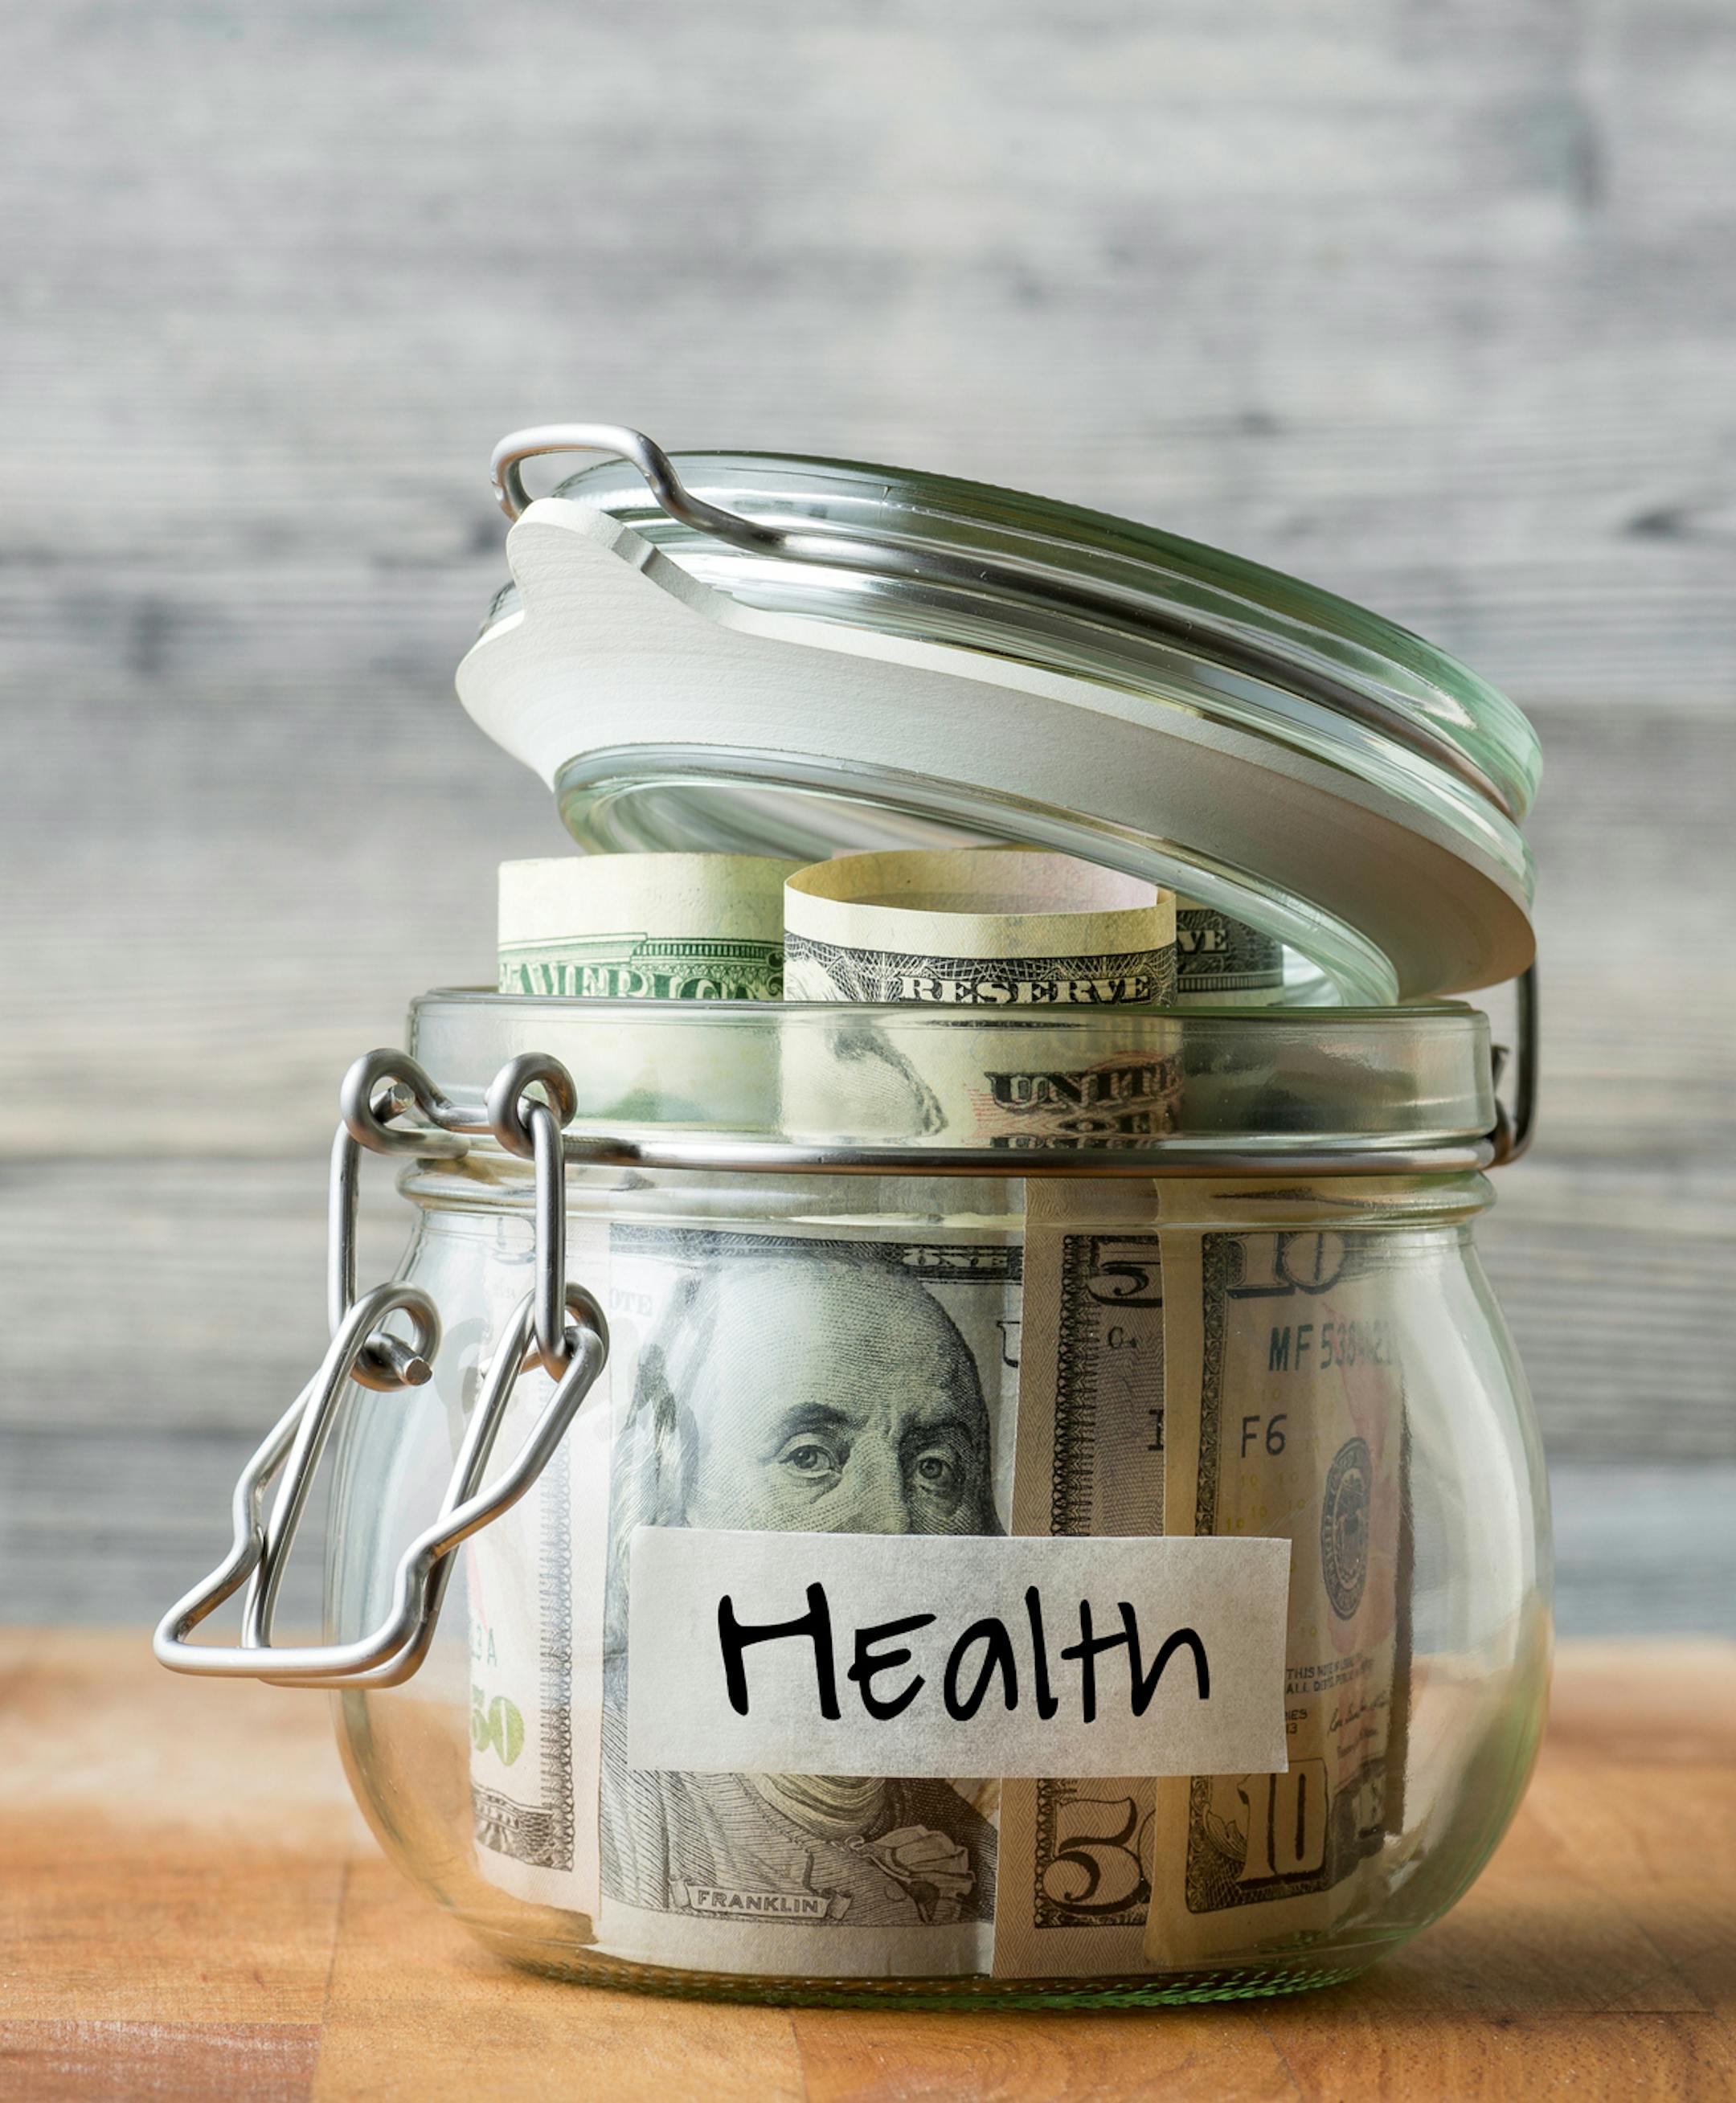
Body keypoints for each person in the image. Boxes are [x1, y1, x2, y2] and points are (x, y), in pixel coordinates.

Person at [600, 1252, 1002, 1932]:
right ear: (672, 1495)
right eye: (809, 1454)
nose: (893, 1522)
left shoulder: (981, 1855)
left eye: (934, 1466)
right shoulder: (605, 1796)